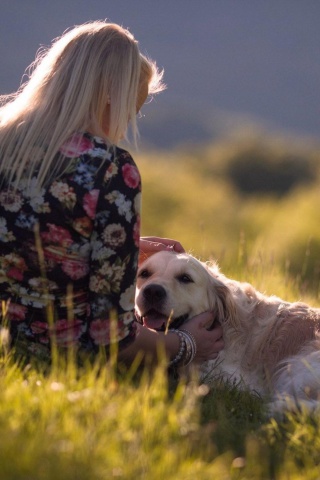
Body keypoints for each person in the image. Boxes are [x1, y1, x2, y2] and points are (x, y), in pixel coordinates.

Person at [0, 20, 223, 369]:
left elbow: (32, 236)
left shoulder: (5, 144)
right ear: (109, 95)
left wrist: (126, 249)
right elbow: (112, 337)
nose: (122, 128)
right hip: (57, 362)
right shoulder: (110, 168)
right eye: (130, 109)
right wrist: (186, 344)